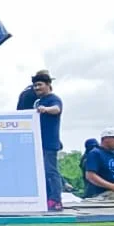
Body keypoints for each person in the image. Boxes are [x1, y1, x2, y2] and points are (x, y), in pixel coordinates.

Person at [30, 70, 63, 211]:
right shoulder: (38, 101)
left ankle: (56, 200)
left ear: (48, 84)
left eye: (39, 85)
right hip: (38, 142)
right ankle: (46, 197)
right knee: (41, 172)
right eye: (35, 86)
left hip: (49, 142)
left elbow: (57, 109)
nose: (37, 88)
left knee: (51, 171)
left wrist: (46, 109)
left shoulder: (53, 99)